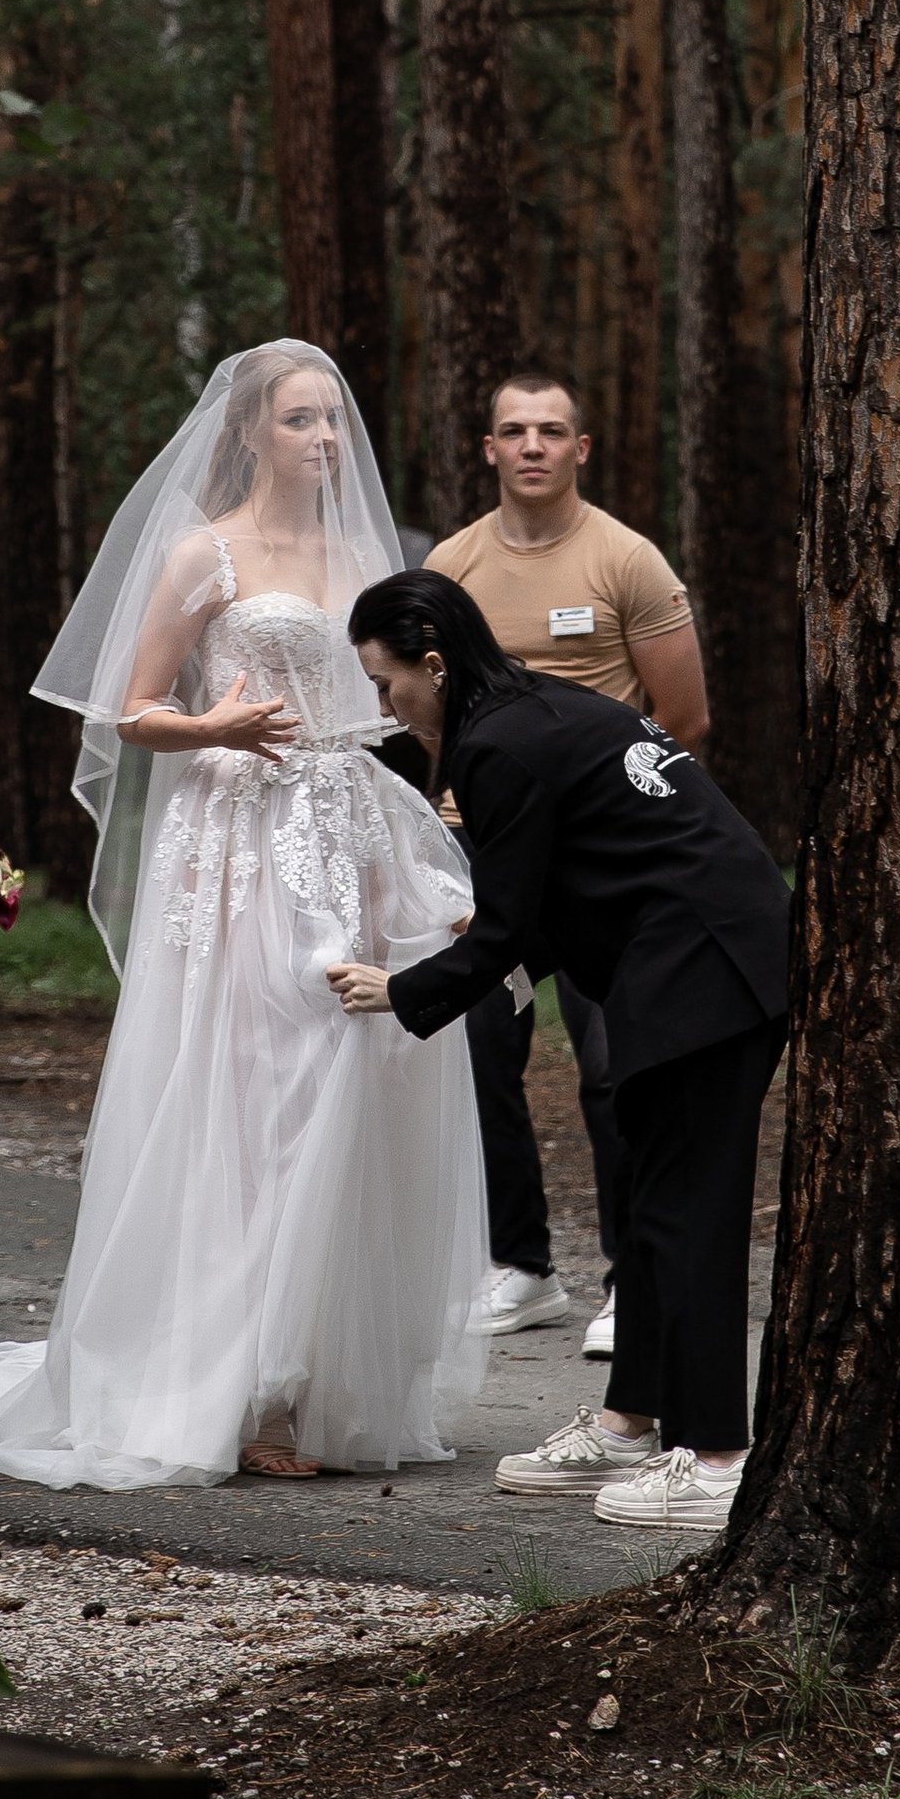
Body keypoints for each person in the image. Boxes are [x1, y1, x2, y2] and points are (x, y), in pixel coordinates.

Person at [0, 343, 489, 1491]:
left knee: (350, 1073)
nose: (325, 442)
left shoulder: (361, 556)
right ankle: (226, 1375)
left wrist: (422, 821)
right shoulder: (206, 553)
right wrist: (219, 731)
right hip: (238, 845)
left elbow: (384, 709)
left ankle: (306, 1384)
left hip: (344, 836)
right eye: (300, 421)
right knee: (249, 1092)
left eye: (334, 421)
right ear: (250, 432)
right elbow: (133, 708)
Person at [330, 570, 788, 1534]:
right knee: (644, 1201)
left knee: (685, 1211)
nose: (384, 705)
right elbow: (545, 894)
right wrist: (480, 934)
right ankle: (631, 1422)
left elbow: (501, 938)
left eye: (386, 683)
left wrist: (401, 990)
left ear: (434, 663)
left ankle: (716, 1455)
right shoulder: (532, 708)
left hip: (710, 959)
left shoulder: (496, 747)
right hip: (692, 952)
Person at [423, 368, 709, 1361]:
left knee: (609, 1063)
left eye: (553, 429)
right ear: (490, 449)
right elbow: (424, 713)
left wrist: (623, 822)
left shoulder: (625, 560)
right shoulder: (453, 567)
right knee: (483, 1052)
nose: (534, 445)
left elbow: (684, 716)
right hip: (485, 851)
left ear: (581, 448)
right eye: (515, 430)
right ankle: (522, 1267)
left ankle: (631, 1282)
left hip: (598, 859)